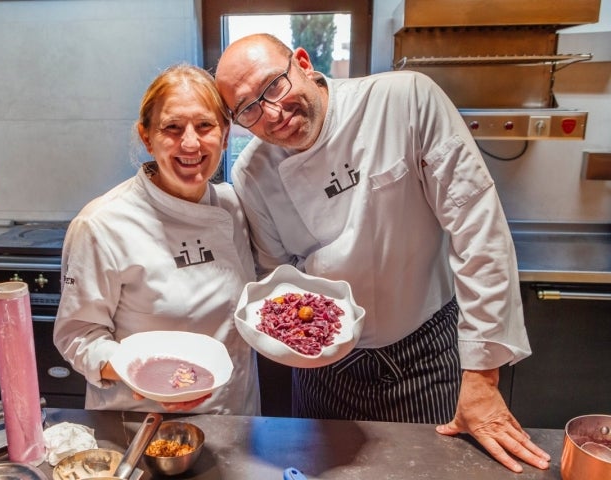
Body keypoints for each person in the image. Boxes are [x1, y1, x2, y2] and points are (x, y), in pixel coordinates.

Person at [214, 33, 550, 472]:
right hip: (323, 371)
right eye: (249, 108)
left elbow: (477, 227)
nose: (273, 114)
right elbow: (281, 280)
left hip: (426, 354)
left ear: (302, 61)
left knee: (429, 470)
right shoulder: (252, 173)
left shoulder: (404, 100)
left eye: (274, 85)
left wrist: (483, 377)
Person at [54, 64, 260, 415]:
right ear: (147, 137)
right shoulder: (102, 224)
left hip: (237, 419)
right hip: (145, 425)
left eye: (206, 125)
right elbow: (77, 336)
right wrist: (140, 372)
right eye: (172, 128)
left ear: (225, 135)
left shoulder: (234, 205)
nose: (191, 142)